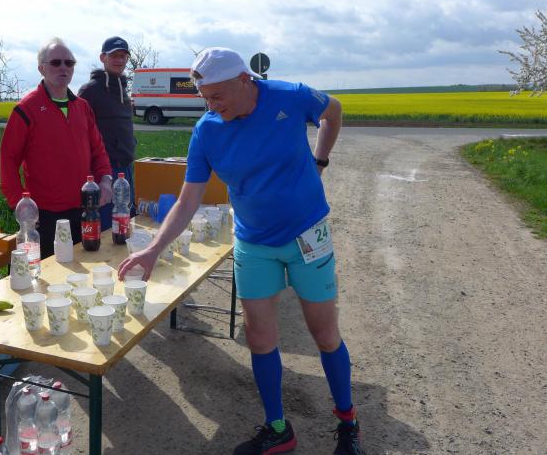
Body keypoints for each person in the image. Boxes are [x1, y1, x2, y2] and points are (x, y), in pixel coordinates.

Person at [118, 48, 365, 455]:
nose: (212, 106)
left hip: (307, 234)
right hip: (253, 242)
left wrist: (320, 160)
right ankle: (278, 428)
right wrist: (154, 249)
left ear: (245, 80)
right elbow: (188, 200)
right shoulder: (207, 131)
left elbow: (333, 111)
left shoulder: (290, 96)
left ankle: (347, 421)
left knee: (324, 334)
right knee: (259, 337)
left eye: (218, 96)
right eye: (205, 98)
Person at [0, 37, 113, 259]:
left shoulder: (82, 107)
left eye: (69, 63)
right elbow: (8, 160)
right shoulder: (25, 109)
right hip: (45, 216)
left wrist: (106, 181)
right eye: (56, 62)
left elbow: (99, 151)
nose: (63, 67)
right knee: (48, 275)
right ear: (41, 68)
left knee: (85, 268)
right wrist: (20, 205)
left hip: (84, 210)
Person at [77, 36, 137, 230]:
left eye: (123, 56)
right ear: (103, 58)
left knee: (125, 221)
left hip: (126, 168)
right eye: (114, 56)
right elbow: (79, 131)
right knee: (106, 226)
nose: (119, 60)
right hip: (105, 171)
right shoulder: (90, 90)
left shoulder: (123, 89)